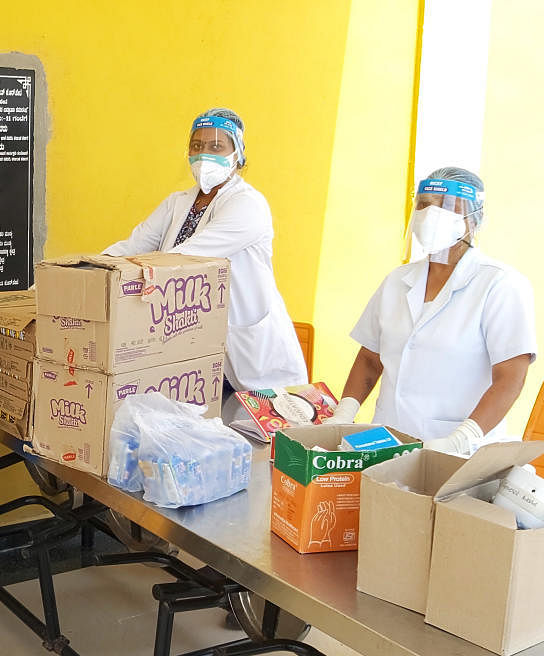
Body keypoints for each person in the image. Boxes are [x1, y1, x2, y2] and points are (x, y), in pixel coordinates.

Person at [105, 108, 306, 408]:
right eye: (197, 146)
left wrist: (130, 273)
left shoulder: (248, 205)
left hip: (252, 361)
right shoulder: (178, 203)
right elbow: (135, 245)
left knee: (252, 443)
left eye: (216, 147)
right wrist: (91, 268)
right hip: (195, 350)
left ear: (237, 154)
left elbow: (186, 258)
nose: (204, 155)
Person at [327, 167, 536, 455]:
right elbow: (369, 358)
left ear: (474, 220)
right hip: (387, 442)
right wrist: (343, 414)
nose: (432, 214)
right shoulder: (397, 281)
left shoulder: (500, 284)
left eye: (448, 207)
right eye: (425, 204)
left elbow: (511, 376)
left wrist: (462, 438)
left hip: (458, 451)